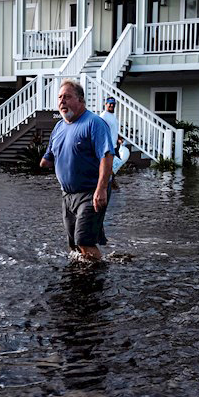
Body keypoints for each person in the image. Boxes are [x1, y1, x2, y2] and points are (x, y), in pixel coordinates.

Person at [40, 79, 114, 261]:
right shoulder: (59, 127)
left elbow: (107, 155)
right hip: (67, 195)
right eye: (59, 97)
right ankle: (81, 279)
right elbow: (48, 158)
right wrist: (44, 162)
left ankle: (96, 282)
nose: (62, 101)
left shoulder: (94, 123)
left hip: (90, 192)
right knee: (73, 244)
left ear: (80, 101)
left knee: (84, 241)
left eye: (67, 97)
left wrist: (101, 189)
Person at [100, 96, 131, 176]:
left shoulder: (113, 116)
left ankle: (111, 185)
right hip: (108, 148)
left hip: (114, 146)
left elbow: (113, 130)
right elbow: (100, 131)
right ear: (106, 104)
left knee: (115, 168)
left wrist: (119, 138)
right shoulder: (103, 116)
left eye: (113, 104)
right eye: (110, 104)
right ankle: (109, 185)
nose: (112, 105)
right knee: (109, 170)